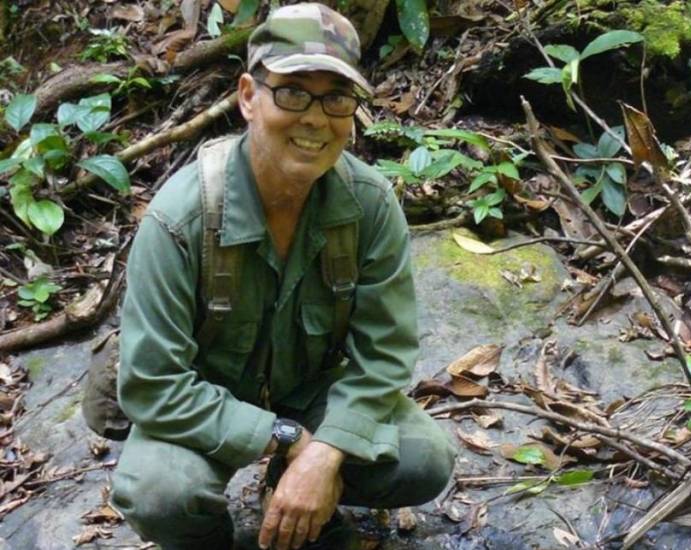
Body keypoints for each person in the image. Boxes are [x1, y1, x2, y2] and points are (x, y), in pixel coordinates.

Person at [110, 4, 456, 549]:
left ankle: (294, 505)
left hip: (311, 387)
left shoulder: (367, 204)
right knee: (161, 493)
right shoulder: (181, 218)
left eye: (337, 98)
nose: (315, 119)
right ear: (249, 96)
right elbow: (153, 384)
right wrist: (283, 438)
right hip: (206, 403)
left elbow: (385, 352)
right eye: (293, 92)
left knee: (423, 459)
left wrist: (326, 452)